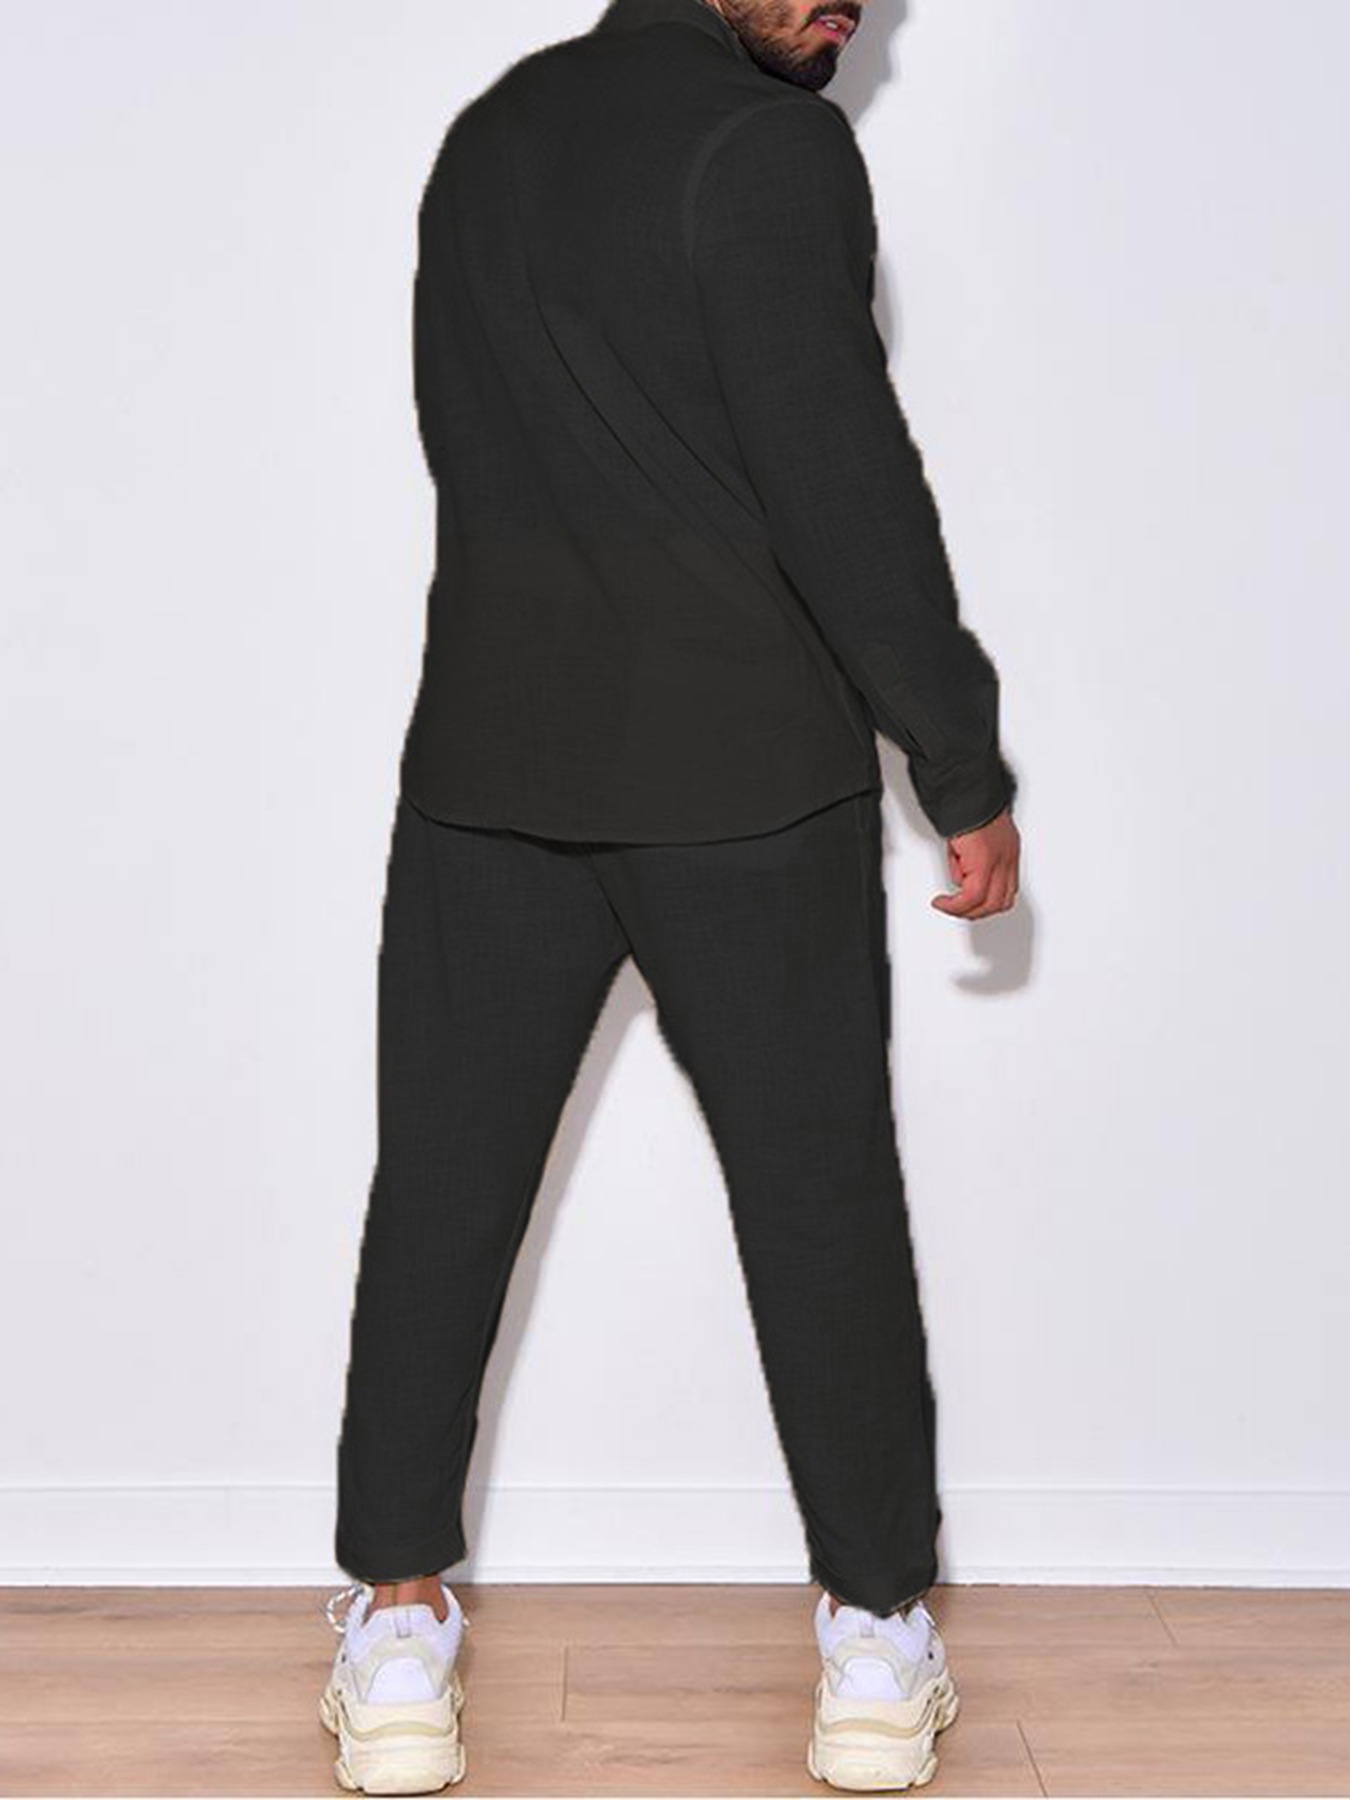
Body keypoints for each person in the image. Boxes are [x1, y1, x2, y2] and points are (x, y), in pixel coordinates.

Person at [319, 0, 1021, 1790]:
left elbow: (462, 436)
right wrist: (957, 757)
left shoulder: (493, 129)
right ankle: (877, 1636)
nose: (855, 3)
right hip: (738, 780)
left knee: (443, 1192)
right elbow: (842, 481)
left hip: (486, 761)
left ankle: (396, 1634)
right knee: (816, 1198)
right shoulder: (771, 147)